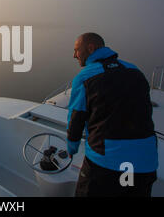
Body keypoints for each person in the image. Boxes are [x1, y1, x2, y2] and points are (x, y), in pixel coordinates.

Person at [66, 33, 158, 197]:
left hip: (106, 166)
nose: (74, 55)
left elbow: (76, 120)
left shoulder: (85, 77)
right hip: (143, 164)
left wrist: (71, 149)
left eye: (76, 50)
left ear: (91, 48)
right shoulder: (135, 70)